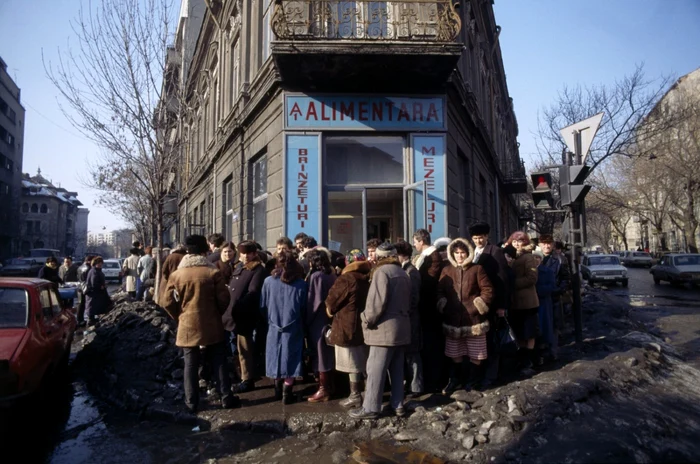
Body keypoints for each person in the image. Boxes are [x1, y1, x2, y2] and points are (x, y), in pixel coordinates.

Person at [162, 235, 239, 413]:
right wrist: (216, 313)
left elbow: (167, 302)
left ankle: (191, 402)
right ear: (204, 252)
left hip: (187, 325)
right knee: (218, 359)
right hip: (212, 323)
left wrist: (179, 315)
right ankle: (226, 396)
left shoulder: (177, 275)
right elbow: (224, 298)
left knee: (190, 363)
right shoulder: (212, 272)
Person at [349, 243, 411, 420]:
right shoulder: (403, 273)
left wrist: (366, 320)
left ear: (380, 257)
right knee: (397, 369)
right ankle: (398, 405)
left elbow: (376, 304)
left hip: (383, 331)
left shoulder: (381, 273)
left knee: (375, 368)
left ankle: (370, 408)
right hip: (402, 328)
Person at [437, 238, 494, 394]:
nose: (460, 256)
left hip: (473, 318)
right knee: (455, 352)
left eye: (463, 253)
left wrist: (479, 304)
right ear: (452, 254)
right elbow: (440, 290)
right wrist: (443, 303)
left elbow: (487, 290)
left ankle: (473, 381)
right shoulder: (447, 270)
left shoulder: (477, 269)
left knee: (476, 352)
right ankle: (456, 380)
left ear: (468, 253)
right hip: (453, 318)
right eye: (457, 253)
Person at [325, 249, 371, 409]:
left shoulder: (347, 278)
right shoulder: (368, 277)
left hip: (347, 325)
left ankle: (355, 395)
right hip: (365, 324)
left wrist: (329, 310)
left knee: (352, 362)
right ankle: (368, 393)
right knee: (365, 361)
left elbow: (332, 301)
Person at [260, 250, 308, 404]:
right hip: (293, 325)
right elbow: (304, 307)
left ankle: (277, 389)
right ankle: (287, 393)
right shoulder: (301, 284)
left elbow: (263, 305)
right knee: (291, 357)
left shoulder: (268, 282)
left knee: (275, 356)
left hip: (274, 325)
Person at [468, 222, 510, 389]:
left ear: (487, 237)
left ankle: (491, 375)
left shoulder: (495, 251)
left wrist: (502, 305)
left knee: (492, 339)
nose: (478, 241)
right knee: (481, 340)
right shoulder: (472, 253)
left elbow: (503, 280)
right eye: (475, 238)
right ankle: (481, 374)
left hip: (492, 302)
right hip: (478, 304)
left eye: (481, 237)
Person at [224, 241, 266, 394]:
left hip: (244, 315)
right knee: (235, 349)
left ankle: (247, 379)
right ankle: (240, 374)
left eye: (249, 253)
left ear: (255, 253)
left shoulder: (258, 269)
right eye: (243, 253)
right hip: (231, 314)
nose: (246, 256)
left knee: (245, 349)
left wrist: (240, 307)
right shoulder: (239, 267)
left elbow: (253, 292)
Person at [412, 228, 445, 393]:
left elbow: (428, 282)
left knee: (432, 344)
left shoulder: (432, 258)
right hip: (427, 306)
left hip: (429, 307)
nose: (414, 245)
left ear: (421, 241)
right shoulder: (426, 257)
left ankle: (434, 381)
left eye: (415, 242)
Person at [305, 247, 337, 402]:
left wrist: (307, 319)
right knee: (328, 352)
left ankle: (323, 388)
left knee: (320, 354)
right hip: (330, 318)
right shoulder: (331, 274)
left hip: (319, 320)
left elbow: (314, 301)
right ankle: (330, 385)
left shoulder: (316, 277)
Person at [506, 231, 539, 373]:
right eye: (515, 242)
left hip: (527, 301)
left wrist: (512, 283)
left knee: (529, 332)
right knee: (519, 332)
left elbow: (532, 278)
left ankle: (529, 359)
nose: (517, 244)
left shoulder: (528, 257)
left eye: (520, 241)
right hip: (514, 303)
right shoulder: (511, 257)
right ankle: (522, 358)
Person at [394, 239, 423, 398]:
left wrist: (404, 312)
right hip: (408, 317)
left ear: (401, 255)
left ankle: (416, 387)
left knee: (412, 353)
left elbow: (413, 298)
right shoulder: (408, 271)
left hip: (410, 319)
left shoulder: (411, 272)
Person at [539, 235, 570, 362]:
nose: (547, 246)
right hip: (539, 297)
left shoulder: (559, 259)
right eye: (544, 243)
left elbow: (565, 277)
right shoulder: (534, 258)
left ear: (552, 245)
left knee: (554, 325)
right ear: (540, 245)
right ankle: (541, 351)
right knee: (540, 324)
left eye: (549, 243)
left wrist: (558, 290)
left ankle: (552, 352)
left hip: (554, 297)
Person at [533, 249, 557, 367]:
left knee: (545, 328)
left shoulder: (547, 271)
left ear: (541, 260)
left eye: (538, 258)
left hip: (544, 303)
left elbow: (552, 286)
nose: (536, 260)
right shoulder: (529, 271)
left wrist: (537, 291)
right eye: (534, 258)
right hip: (532, 304)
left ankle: (548, 353)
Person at [85, 257, 111, 325]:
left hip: (95, 294)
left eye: (101, 263)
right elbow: (94, 283)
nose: (100, 264)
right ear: (95, 263)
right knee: (92, 308)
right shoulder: (94, 271)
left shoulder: (96, 270)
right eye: (98, 263)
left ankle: (92, 320)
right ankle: (91, 322)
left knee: (92, 308)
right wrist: (102, 286)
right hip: (94, 293)